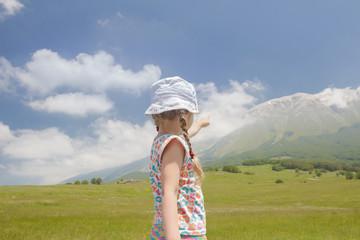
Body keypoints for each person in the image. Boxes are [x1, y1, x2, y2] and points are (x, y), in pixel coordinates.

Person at [145, 76, 210, 240]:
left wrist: (201, 124)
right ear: (187, 112)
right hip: (183, 231)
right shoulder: (175, 145)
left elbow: (187, 133)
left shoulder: (162, 141)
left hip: (165, 229)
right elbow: (170, 192)